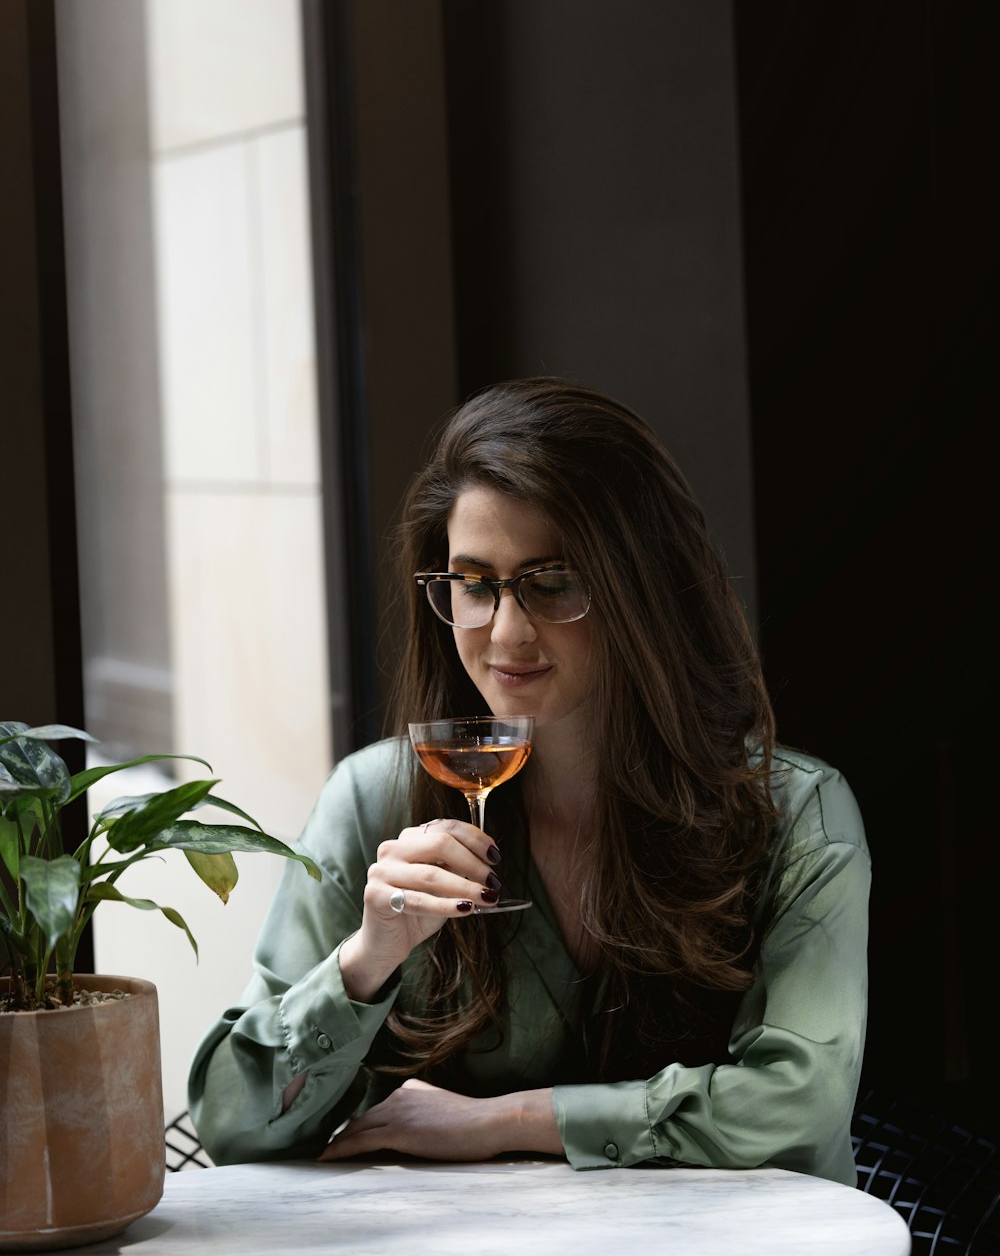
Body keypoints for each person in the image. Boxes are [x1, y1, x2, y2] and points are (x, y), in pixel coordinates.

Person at [188, 376, 870, 1183]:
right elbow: (232, 1123)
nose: (506, 632)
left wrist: (502, 1122)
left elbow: (800, 1106)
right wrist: (366, 960)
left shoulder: (793, 815)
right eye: (474, 584)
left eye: (554, 583)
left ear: (641, 588)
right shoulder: (374, 801)